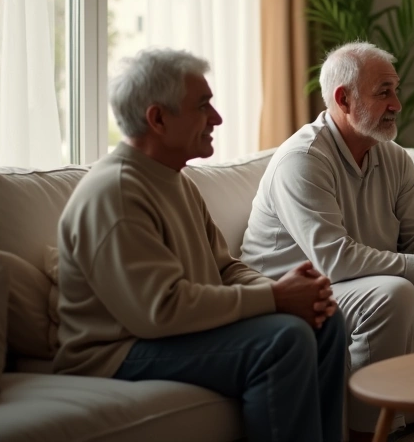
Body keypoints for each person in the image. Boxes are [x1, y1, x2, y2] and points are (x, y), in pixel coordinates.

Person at [54, 49, 344, 442]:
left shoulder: (175, 180)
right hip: (116, 352)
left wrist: (295, 292)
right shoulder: (117, 193)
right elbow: (160, 311)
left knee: (324, 320)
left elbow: (223, 268)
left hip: (165, 334)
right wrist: (275, 298)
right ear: (157, 118)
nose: (217, 118)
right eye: (203, 105)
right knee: (282, 340)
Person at [239, 41, 414, 442]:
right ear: (343, 99)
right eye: (383, 92)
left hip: (362, 283)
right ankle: (369, 435)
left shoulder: (392, 157)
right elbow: (333, 259)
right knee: (392, 294)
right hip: (300, 292)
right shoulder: (302, 160)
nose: (397, 104)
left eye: (396, 90)